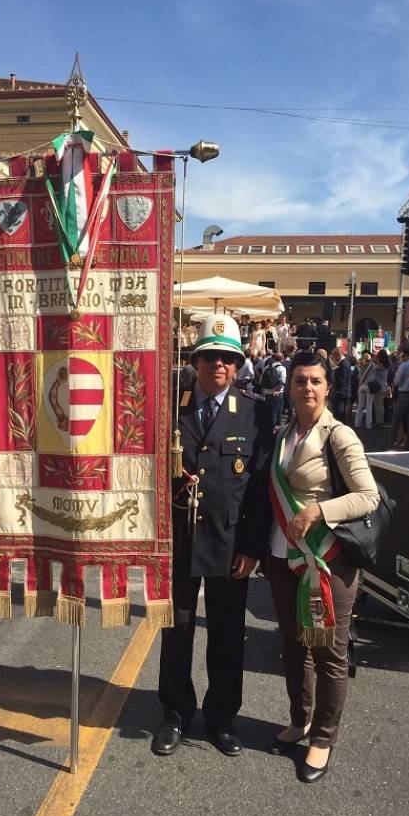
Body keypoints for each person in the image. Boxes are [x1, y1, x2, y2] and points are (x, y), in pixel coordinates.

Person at [153, 314, 274, 757]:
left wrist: (251, 548)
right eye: (209, 357)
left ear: (238, 365)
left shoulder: (257, 411)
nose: (217, 366)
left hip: (229, 544)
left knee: (226, 633)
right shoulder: (172, 406)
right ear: (195, 361)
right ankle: (175, 713)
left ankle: (222, 717)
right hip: (180, 540)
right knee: (176, 629)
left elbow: (260, 489)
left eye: (227, 358)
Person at [265, 351, 379, 782]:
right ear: (290, 386)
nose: (307, 388)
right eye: (300, 380)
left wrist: (317, 510)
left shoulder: (340, 436)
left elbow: (367, 496)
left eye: (315, 380)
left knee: (329, 654)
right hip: (282, 557)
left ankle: (323, 738)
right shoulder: (283, 432)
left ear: (328, 387)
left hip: (328, 562)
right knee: (293, 646)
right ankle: (300, 720)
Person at [261, 352, 287, 427]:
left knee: (268, 413)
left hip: (267, 393)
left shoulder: (267, 367)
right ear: (282, 359)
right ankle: (273, 430)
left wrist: (264, 390)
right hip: (277, 394)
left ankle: (268, 429)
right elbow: (282, 381)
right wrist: (276, 391)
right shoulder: (282, 368)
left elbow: (261, 380)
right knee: (276, 413)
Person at [330, 347, 352, 423]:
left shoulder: (343, 364)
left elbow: (342, 380)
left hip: (341, 393)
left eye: (333, 356)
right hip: (342, 392)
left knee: (339, 413)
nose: (333, 358)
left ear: (337, 355)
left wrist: (337, 391)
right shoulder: (344, 363)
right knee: (340, 413)